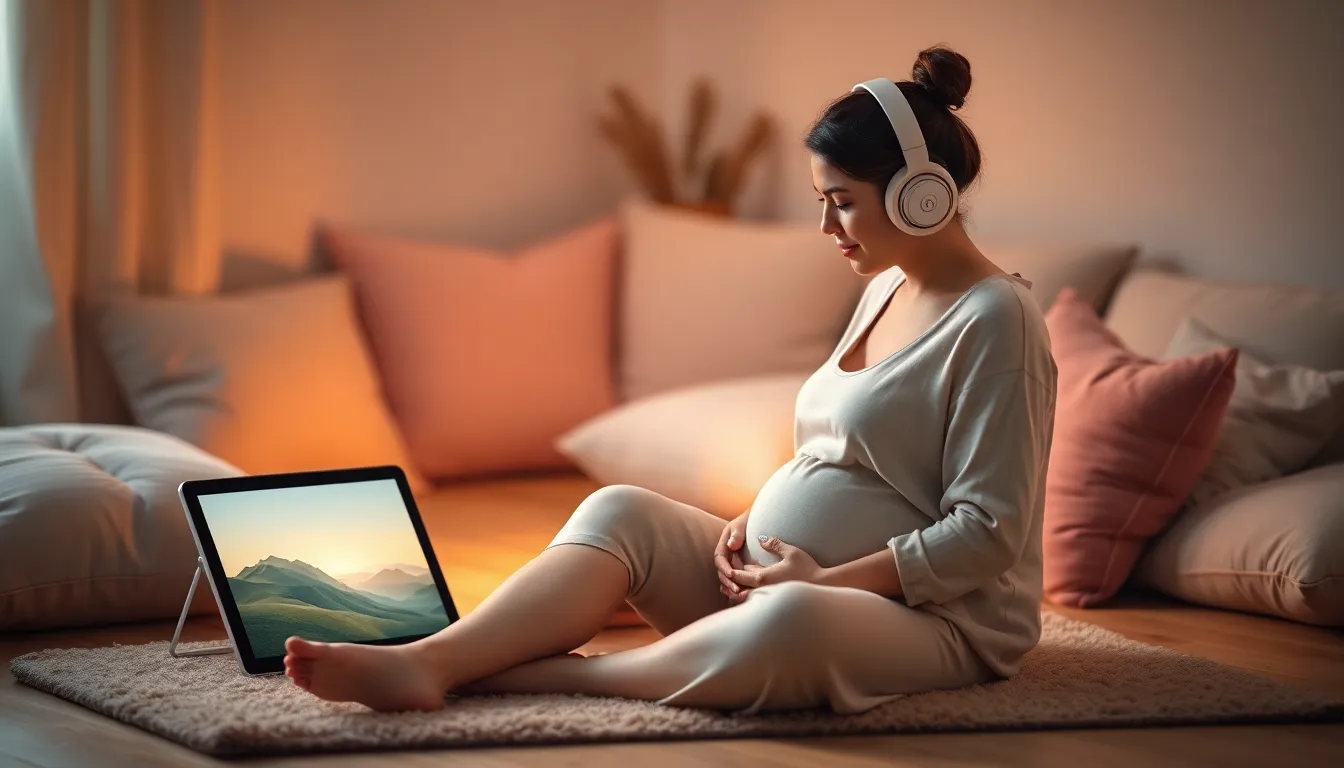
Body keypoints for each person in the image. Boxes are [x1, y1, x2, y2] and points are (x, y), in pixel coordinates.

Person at [282, 46, 1058, 715]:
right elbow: (841, 452)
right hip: (787, 578)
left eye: (842, 204)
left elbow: (988, 532)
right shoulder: (884, 285)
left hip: (939, 622)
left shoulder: (998, 321)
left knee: (790, 621)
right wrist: (753, 519)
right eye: (822, 202)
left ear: (919, 198)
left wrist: (826, 581)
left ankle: (549, 681)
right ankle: (439, 658)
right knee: (620, 509)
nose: (826, 228)